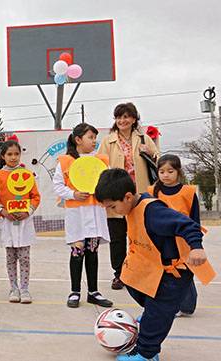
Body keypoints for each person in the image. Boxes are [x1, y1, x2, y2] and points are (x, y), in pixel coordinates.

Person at [95, 168, 214, 361]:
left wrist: (196, 247)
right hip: (155, 267)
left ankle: (147, 353)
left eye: (112, 207)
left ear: (127, 197)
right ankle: (155, 316)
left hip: (174, 274)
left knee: (158, 312)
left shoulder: (153, 211)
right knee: (132, 284)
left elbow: (186, 224)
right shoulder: (132, 208)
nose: (111, 212)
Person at [97, 103, 159, 290]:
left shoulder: (143, 138)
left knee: (140, 236)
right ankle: (120, 274)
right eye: (118, 117)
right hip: (116, 196)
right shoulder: (108, 141)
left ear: (133, 118)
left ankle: (140, 271)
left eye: (126, 117)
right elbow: (100, 166)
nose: (122, 121)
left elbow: (158, 159)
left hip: (138, 195)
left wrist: (150, 152)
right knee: (117, 238)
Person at [53, 123, 113, 308]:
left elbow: (109, 182)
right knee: (77, 252)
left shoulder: (101, 160)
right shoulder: (65, 161)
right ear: (78, 140)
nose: (94, 141)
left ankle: (93, 291)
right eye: (90, 137)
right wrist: (73, 194)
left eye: (95, 138)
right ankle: (75, 291)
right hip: (76, 214)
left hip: (95, 213)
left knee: (92, 252)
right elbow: (58, 186)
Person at [148, 154, 201, 317]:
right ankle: (168, 303)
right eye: (162, 171)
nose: (166, 175)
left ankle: (187, 305)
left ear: (178, 171)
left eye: (170, 171)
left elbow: (194, 219)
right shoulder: (152, 191)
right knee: (166, 272)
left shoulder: (188, 192)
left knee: (184, 272)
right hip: (162, 240)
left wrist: (195, 243)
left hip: (183, 240)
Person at [0, 140, 40, 304]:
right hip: (7, 222)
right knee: (11, 257)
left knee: (24, 257)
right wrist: (3, 212)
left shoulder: (26, 174)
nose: (13, 157)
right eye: (9, 154)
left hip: (25, 222)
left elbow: (35, 197)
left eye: (16, 154)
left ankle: (25, 289)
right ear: (3, 156)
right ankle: (14, 288)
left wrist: (28, 211)